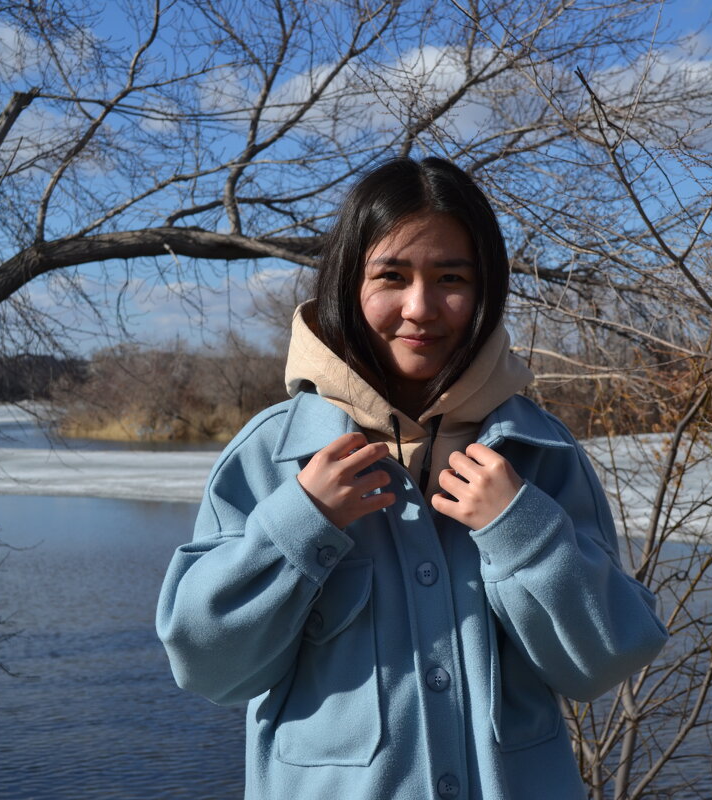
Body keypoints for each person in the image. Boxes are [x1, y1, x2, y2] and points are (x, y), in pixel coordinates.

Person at [156, 157, 668, 799]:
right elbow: (208, 668)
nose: (420, 308)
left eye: (450, 277)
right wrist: (298, 526)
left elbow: (604, 662)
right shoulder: (273, 455)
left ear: (485, 291)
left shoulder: (539, 452)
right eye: (391, 277)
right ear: (349, 284)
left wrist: (523, 533)